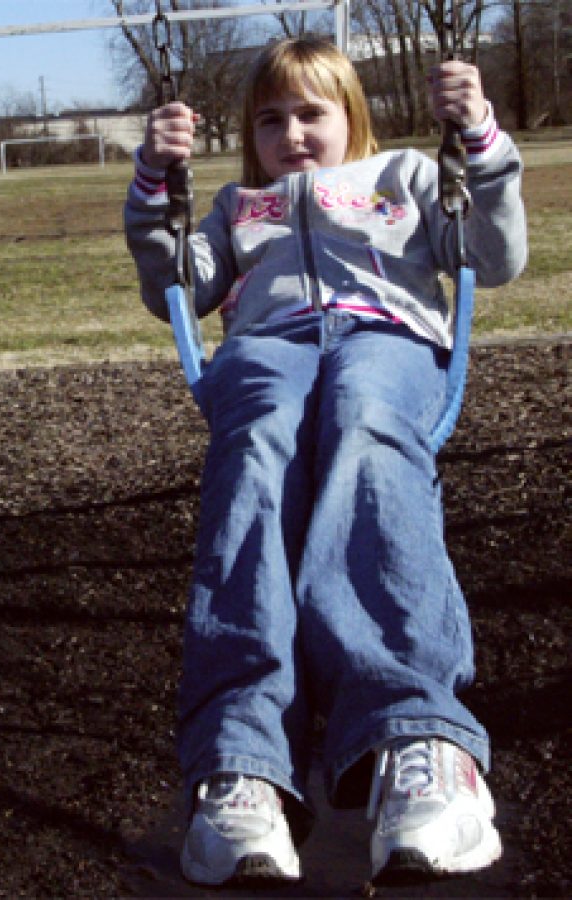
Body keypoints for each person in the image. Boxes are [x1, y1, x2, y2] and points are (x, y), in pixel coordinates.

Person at [124, 38, 526, 887]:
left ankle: (418, 737)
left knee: (365, 422)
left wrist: (480, 138)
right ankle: (243, 767)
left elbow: (494, 258)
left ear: (353, 116)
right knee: (258, 444)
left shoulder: (408, 178)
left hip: (386, 340)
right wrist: (154, 184)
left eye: (312, 112)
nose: (292, 133)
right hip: (269, 349)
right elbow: (176, 284)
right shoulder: (239, 207)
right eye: (270, 119)